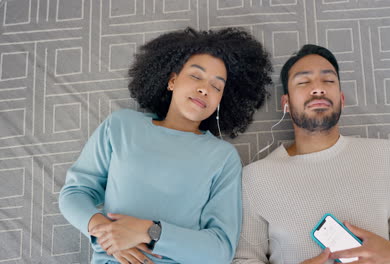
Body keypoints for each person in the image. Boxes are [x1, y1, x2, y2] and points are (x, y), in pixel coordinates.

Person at [59, 27, 272, 264]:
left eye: (217, 86)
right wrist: (106, 233)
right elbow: (75, 193)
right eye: (196, 76)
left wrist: (149, 231)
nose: (205, 88)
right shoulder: (121, 126)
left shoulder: (223, 158)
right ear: (172, 80)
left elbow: (220, 250)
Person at [233, 44, 390, 264]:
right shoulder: (255, 178)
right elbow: (243, 259)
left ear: (341, 99)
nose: (318, 88)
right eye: (303, 82)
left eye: (328, 81)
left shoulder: (383, 154)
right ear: (286, 104)